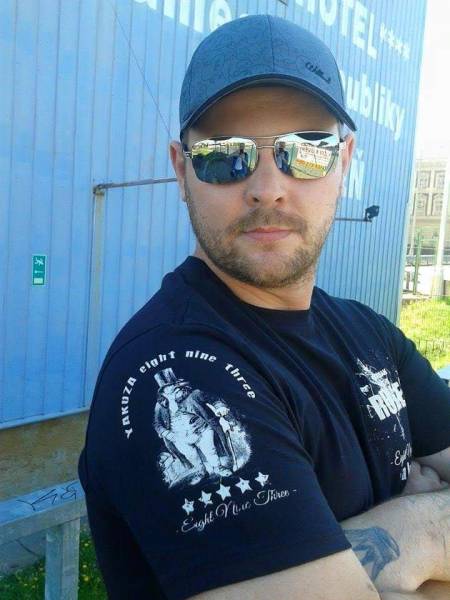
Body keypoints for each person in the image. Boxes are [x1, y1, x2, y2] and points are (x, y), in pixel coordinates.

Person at [78, 14, 450, 600]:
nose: (268, 188)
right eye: (226, 155)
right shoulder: (171, 370)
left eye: (307, 151)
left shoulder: (371, 334)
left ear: (344, 161)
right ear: (181, 170)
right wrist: (420, 527)